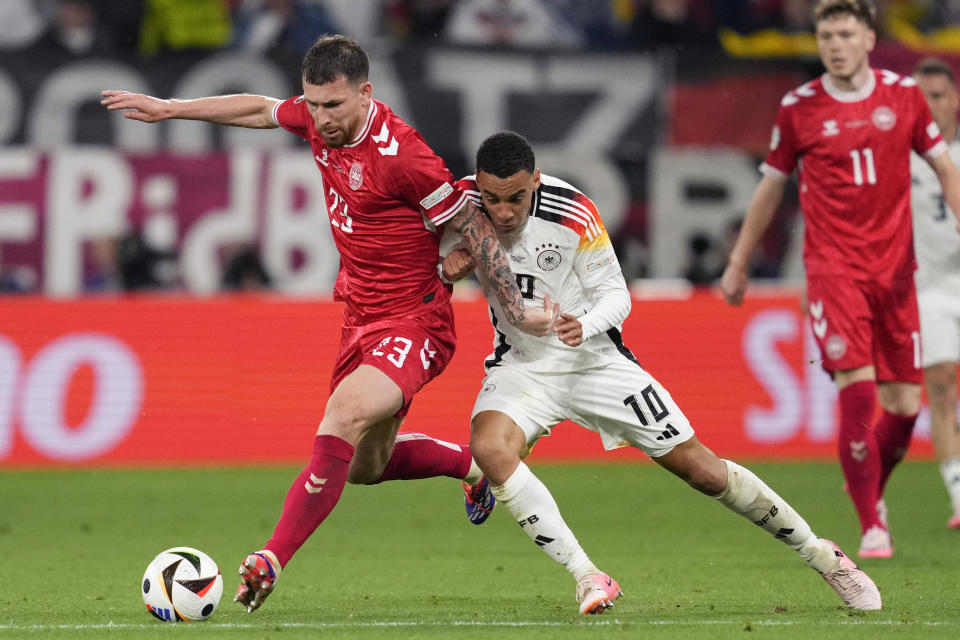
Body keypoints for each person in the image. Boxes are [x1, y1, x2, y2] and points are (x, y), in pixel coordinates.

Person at [102, 34, 556, 612]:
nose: (322, 119)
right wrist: (170, 109)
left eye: (334, 106)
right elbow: (260, 108)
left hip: (415, 322)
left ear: (366, 93)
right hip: (359, 319)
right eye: (313, 105)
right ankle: (470, 468)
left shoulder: (405, 156)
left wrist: (514, 311)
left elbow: (479, 224)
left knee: (341, 415)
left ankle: (269, 559)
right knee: (366, 467)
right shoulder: (316, 121)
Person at [443, 130, 882, 614]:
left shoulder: (573, 212)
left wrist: (582, 324)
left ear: (538, 181)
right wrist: (446, 271)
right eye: (492, 198)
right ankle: (588, 576)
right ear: (477, 186)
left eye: (516, 198)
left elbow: (617, 295)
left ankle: (825, 557)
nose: (503, 212)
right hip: (523, 365)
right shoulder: (459, 208)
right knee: (488, 447)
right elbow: (415, 268)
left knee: (704, 472)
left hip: (595, 361)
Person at [720, 0, 960, 559]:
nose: (834, 45)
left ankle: (869, 487)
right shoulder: (799, 108)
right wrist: (739, 261)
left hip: (898, 273)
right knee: (858, 389)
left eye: (845, 34)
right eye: (826, 34)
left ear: (869, 38)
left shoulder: (903, 96)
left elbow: (945, 167)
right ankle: (871, 524)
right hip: (834, 270)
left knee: (904, 405)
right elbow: (772, 186)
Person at [910, 57, 960, 530]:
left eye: (939, 96)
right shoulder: (896, 161)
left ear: (956, 101)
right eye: (920, 99)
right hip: (929, 288)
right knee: (942, 383)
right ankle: (959, 493)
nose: (930, 107)